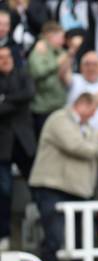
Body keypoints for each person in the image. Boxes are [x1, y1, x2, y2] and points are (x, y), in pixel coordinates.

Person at [29, 93, 98, 261]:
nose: (93, 115)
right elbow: (76, 146)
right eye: (93, 110)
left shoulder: (87, 127)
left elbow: (94, 140)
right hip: (52, 188)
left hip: (78, 191)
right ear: (83, 104)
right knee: (54, 237)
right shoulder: (59, 119)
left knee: (81, 242)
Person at [0, 45, 36, 250]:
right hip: (3, 146)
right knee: (3, 192)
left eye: (7, 57)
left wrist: (5, 99)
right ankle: (4, 234)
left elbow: (29, 94)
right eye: (0, 57)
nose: (4, 60)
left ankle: (39, 226)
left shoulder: (23, 75)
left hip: (24, 142)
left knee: (37, 186)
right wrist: (16, 100)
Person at [28, 21, 76, 138]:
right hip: (43, 107)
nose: (63, 40)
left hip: (59, 106)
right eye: (60, 36)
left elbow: (68, 80)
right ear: (50, 36)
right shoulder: (40, 50)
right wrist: (57, 63)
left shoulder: (61, 52)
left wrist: (68, 61)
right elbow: (37, 72)